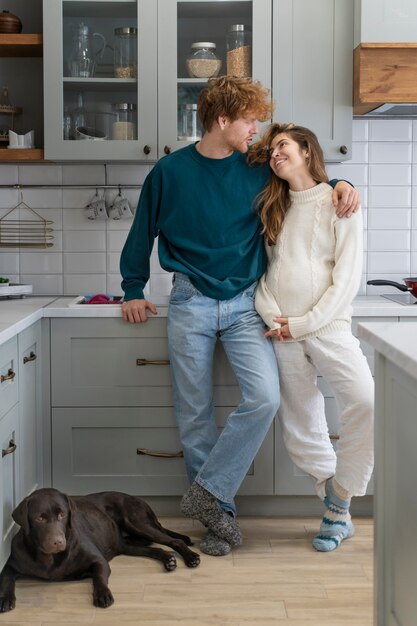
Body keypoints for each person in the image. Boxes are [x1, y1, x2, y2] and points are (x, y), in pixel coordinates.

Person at [120, 76, 360, 557]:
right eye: (249, 119)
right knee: (194, 415)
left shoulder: (258, 169)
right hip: (189, 300)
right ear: (222, 120)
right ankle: (220, 518)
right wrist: (132, 288)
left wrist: (339, 182)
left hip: (248, 303)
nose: (257, 129)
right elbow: (141, 233)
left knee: (265, 398)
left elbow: (306, 183)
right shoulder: (168, 172)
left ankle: (207, 494)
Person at [249, 123, 374, 552]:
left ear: (306, 149)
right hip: (280, 331)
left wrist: (303, 324)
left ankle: (340, 499)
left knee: (366, 401)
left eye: (282, 145)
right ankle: (335, 508)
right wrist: (273, 316)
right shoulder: (274, 207)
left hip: (327, 327)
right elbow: (268, 274)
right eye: (270, 151)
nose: (275, 154)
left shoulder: (341, 203)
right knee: (301, 426)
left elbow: (346, 280)